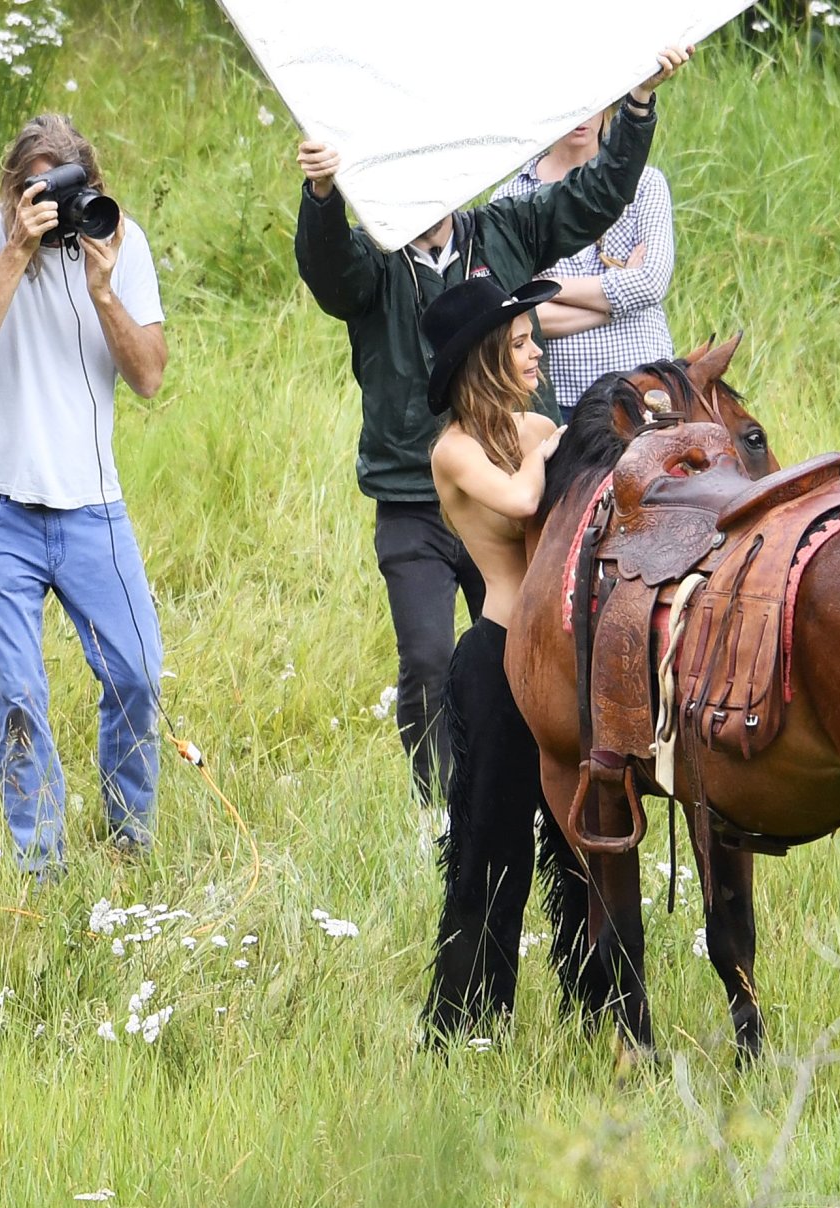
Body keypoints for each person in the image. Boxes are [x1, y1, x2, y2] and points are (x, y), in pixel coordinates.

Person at [293, 46, 691, 820]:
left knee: (529, 646)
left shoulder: (501, 230)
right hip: (412, 498)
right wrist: (320, 193)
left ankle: (530, 795)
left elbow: (595, 196)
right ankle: (438, 811)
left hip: (512, 483)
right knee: (426, 658)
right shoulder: (374, 264)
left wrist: (638, 103)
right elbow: (328, 270)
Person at [0, 114, 168, 880]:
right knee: (16, 696)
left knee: (137, 674)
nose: (57, 206)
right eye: (39, 188)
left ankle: (129, 841)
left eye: (70, 188)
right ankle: (42, 871)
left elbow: (149, 377)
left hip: (91, 505)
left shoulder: (117, 239)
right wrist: (17, 247)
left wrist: (102, 288)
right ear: (13, 186)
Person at [415, 275, 564, 1036]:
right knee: (491, 845)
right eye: (520, 344)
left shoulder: (533, 428)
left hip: (556, 656)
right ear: (485, 361)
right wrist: (555, 445)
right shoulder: (454, 452)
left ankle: (594, 1006)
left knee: (576, 838)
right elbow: (521, 502)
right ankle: (469, 1020)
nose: (536, 353)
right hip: (499, 660)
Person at [492, 108, 675, 417]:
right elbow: (521, 316)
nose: (583, 116)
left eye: (593, 103)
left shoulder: (645, 183)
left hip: (644, 388)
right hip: (560, 399)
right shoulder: (509, 198)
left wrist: (546, 286)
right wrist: (619, 302)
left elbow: (650, 284)